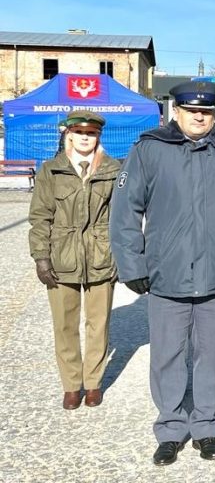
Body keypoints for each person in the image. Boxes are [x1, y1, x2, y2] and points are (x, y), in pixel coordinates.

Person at [109, 81, 215, 466]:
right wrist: (132, 264)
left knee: (212, 355)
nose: (200, 116)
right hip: (167, 272)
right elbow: (125, 210)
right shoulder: (150, 148)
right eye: (192, 110)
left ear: (214, 112)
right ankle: (170, 427)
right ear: (176, 111)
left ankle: (206, 426)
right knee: (167, 355)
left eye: (207, 111)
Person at [28, 110, 121, 410]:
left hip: (101, 256)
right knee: (64, 325)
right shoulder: (51, 170)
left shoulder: (113, 169)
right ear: (68, 135)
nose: (85, 138)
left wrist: (121, 255)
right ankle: (71, 385)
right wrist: (41, 257)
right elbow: (40, 217)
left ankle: (92, 382)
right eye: (80, 133)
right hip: (61, 259)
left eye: (91, 133)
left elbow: (121, 218)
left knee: (99, 323)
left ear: (98, 137)